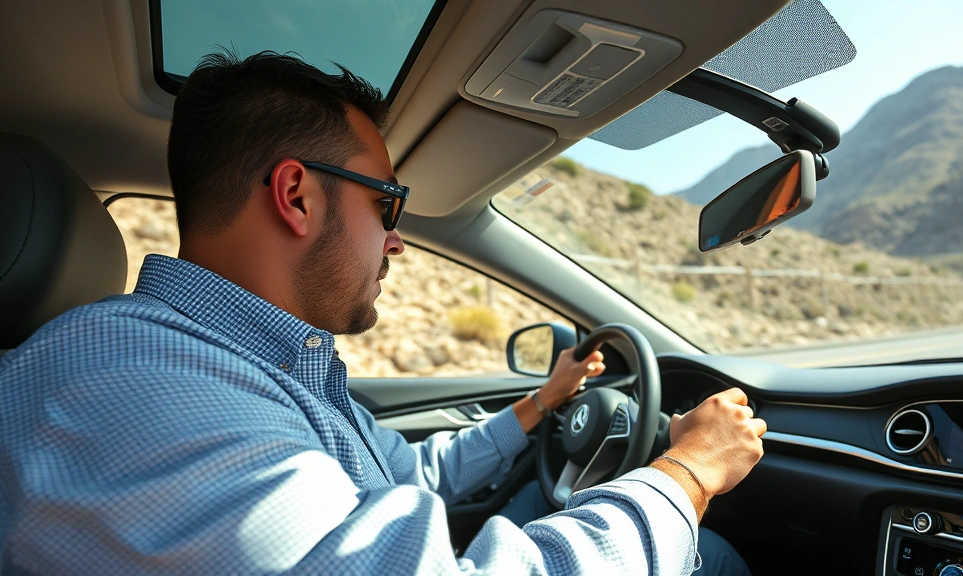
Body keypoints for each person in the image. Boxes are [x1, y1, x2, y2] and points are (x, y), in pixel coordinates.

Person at [0, 52, 767, 574]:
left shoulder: (257, 370)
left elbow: (413, 475)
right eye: (387, 202)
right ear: (296, 195)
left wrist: (542, 403)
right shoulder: (131, 379)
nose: (396, 240)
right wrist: (687, 474)